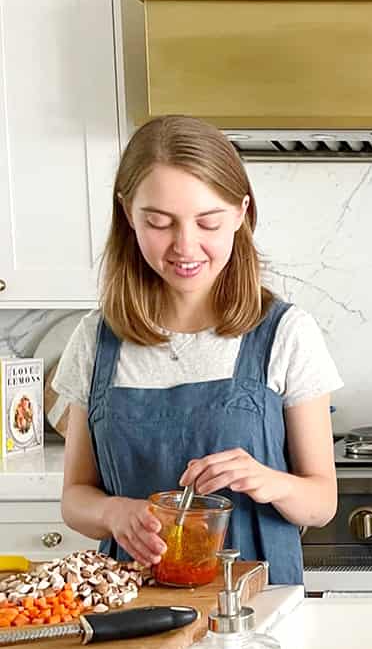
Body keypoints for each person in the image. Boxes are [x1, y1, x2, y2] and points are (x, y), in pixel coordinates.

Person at [54, 115, 342, 584]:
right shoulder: (95, 339)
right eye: (159, 223)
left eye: (208, 222)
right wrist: (115, 512)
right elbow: (75, 498)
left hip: (254, 603)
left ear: (241, 214)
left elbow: (322, 502)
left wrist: (266, 480)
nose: (185, 246)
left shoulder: (286, 333)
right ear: (128, 215)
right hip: (132, 605)